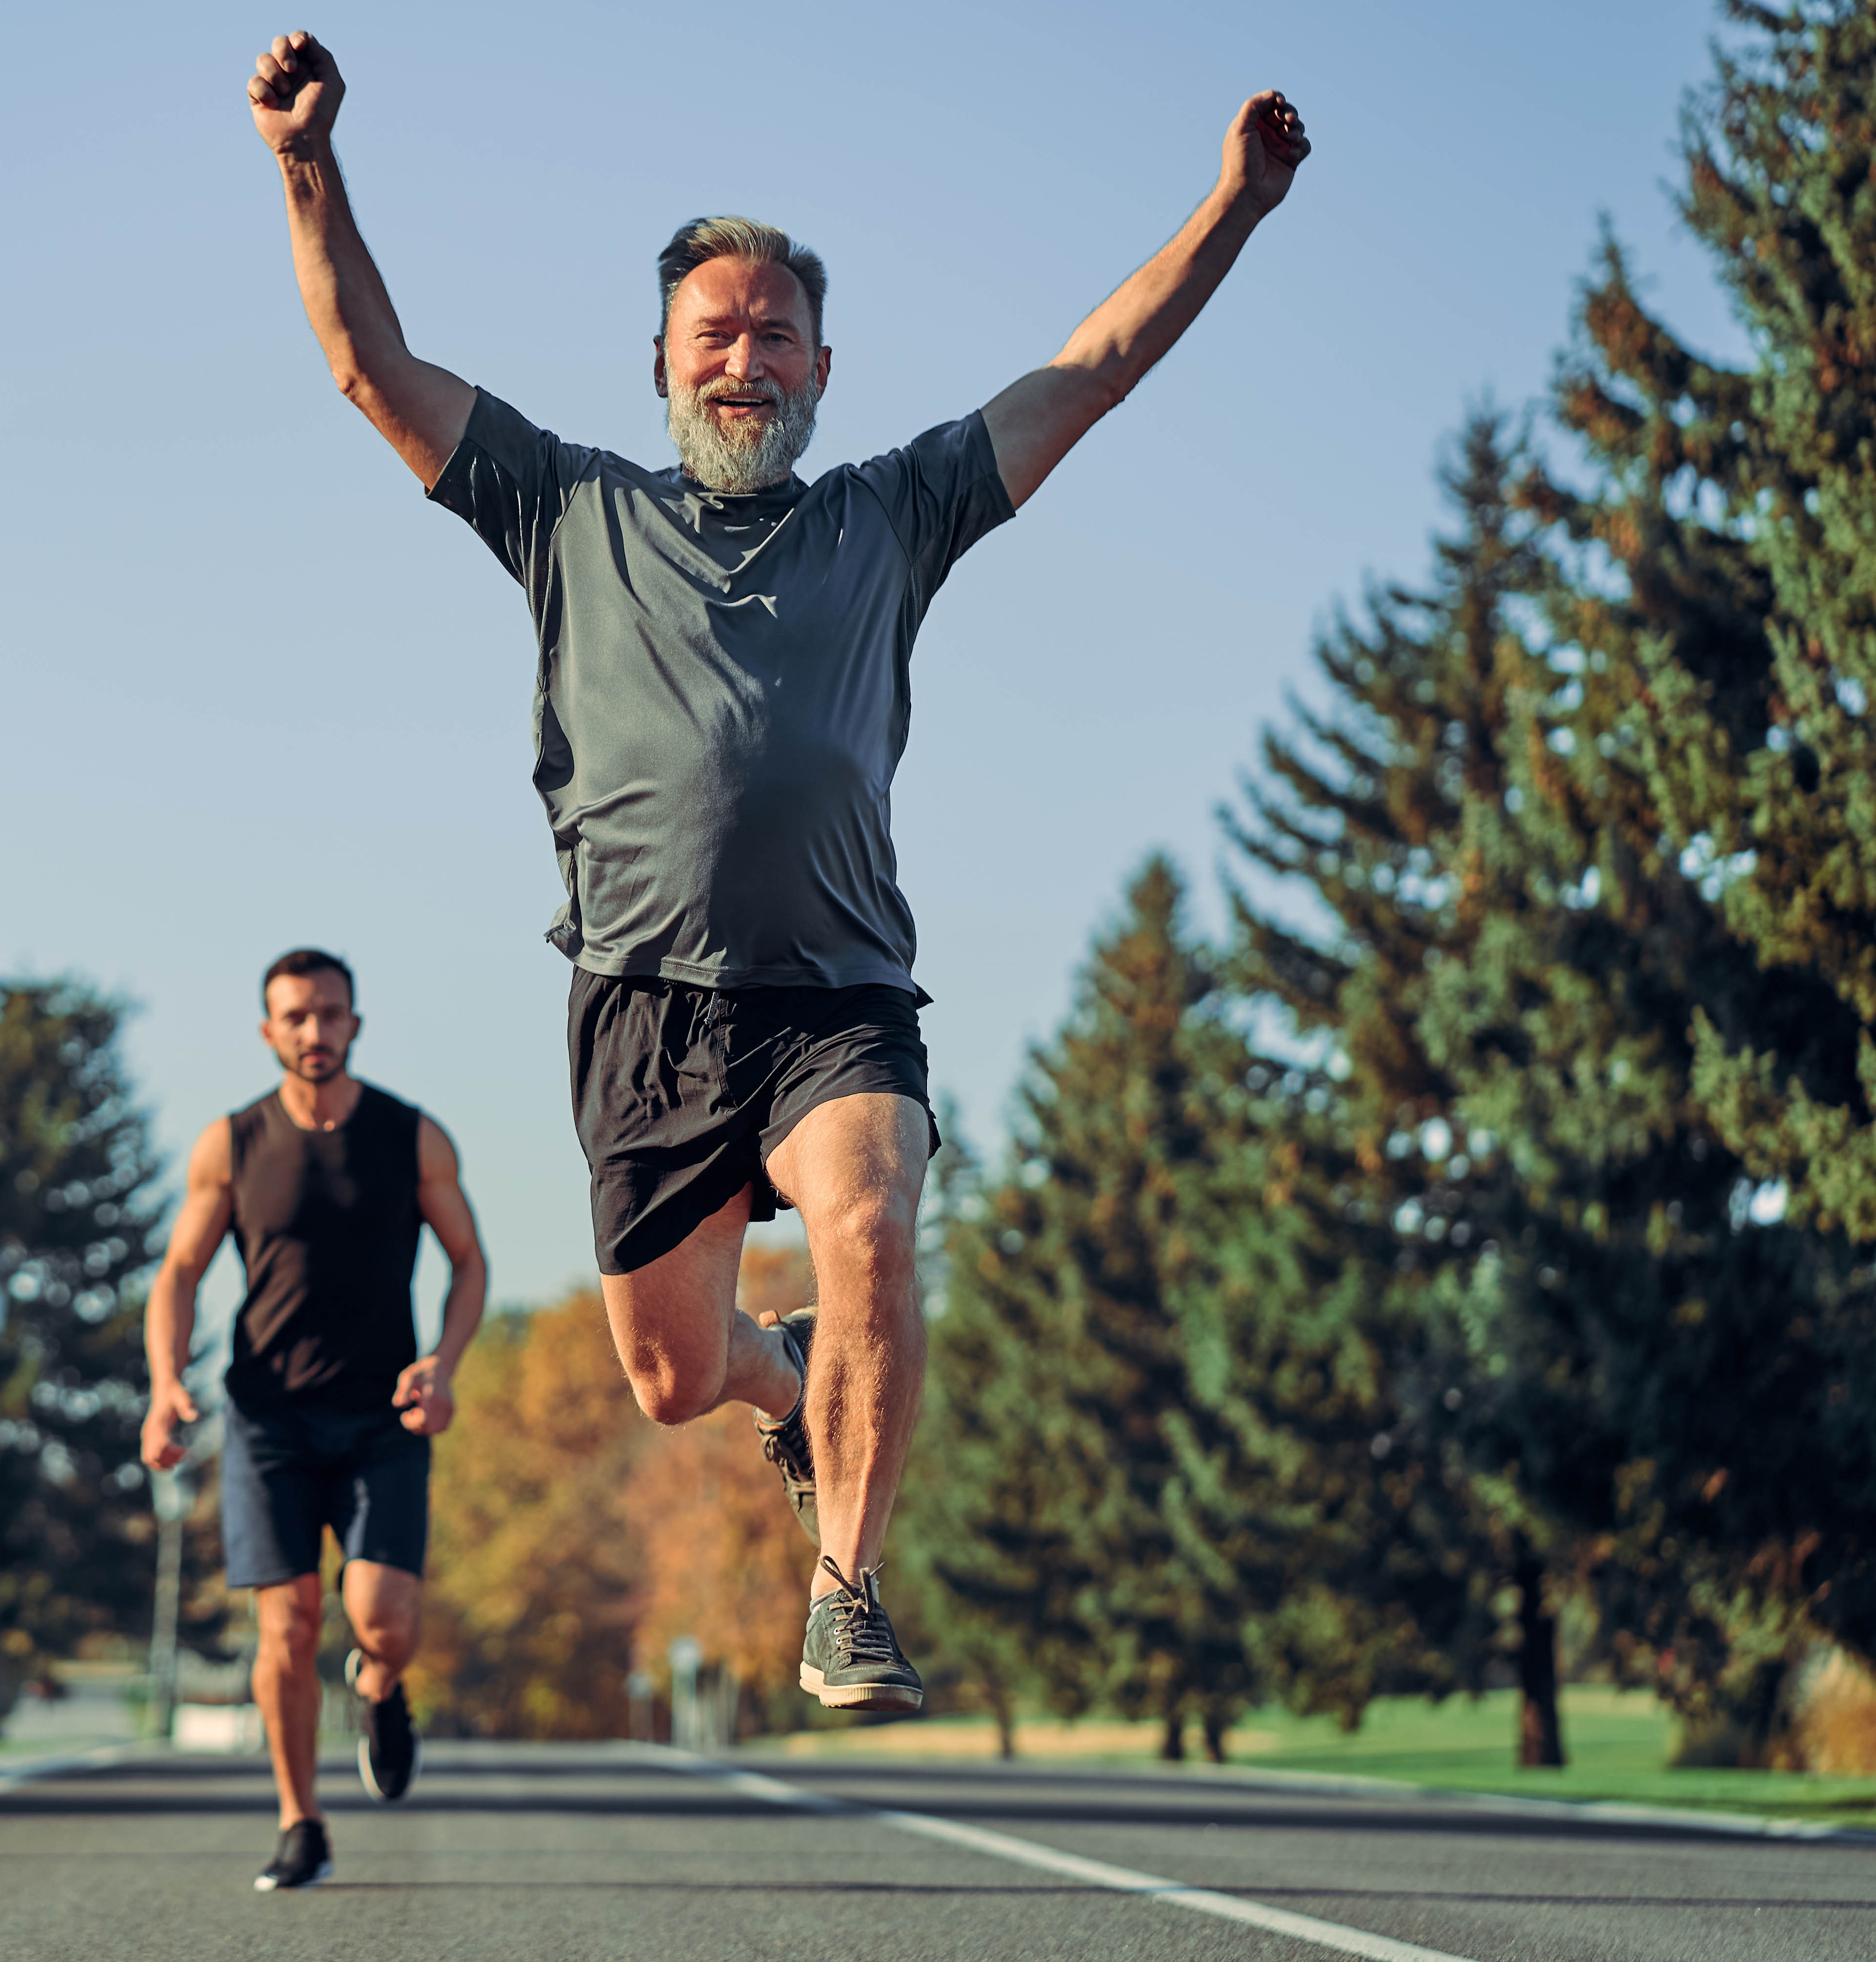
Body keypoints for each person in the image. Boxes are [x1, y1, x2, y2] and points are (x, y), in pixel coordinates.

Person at [241, 30, 1310, 1716]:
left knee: (873, 1220)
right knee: (673, 1375)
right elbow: (370, 367)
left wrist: (1232, 205)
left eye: (773, 333)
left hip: (838, 995)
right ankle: (782, 1383)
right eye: (711, 333)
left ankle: (845, 1587)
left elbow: (1091, 367)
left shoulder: (897, 510)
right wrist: (306, 161)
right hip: (640, 1007)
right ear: (660, 364)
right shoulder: (561, 506)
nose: (741, 357)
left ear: (822, 368)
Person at [142, 948, 488, 1892]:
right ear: (269, 1032)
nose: (315, 1031)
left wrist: (443, 1365)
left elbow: (468, 1261)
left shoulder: (412, 1137)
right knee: (288, 1622)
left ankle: (378, 1684)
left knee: (385, 1617)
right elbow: (178, 1272)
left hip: (384, 1416)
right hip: (268, 1420)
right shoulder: (232, 1144)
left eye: (331, 1014)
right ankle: (301, 1822)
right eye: (295, 1016)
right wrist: (166, 1382)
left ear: (356, 1024)